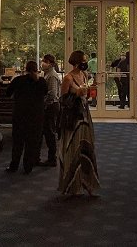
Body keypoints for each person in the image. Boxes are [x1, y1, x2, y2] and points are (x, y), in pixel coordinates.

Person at [58, 50, 99, 197]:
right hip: (73, 117)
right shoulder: (68, 78)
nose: (85, 62)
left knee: (86, 148)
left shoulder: (84, 75)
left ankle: (87, 182)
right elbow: (62, 99)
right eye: (84, 59)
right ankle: (71, 183)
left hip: (84, 115)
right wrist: (76, 93)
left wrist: (89, 91)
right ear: (77, 62)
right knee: (73, 149)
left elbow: (85, 95)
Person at [5, 61, 47, 174]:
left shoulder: (18, 80)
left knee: (18, 142)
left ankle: (14, 165)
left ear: (25, 69)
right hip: (36, 115)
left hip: (20, 114)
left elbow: (7, 93)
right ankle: (28, 166)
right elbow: (45, 93)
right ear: (37, 69)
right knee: (32, 142)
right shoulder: (42, 81)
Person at [38, 54, 61, 167]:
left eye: (45, 61)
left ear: (51, 63)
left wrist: (43, 103)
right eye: (43, 60)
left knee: (50, 133)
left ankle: (52, 158)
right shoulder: (46, 74)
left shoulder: (52, 76)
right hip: (48, 106)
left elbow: (52, 93)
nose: (43, 63)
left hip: (51, 106)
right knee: (46, 131)